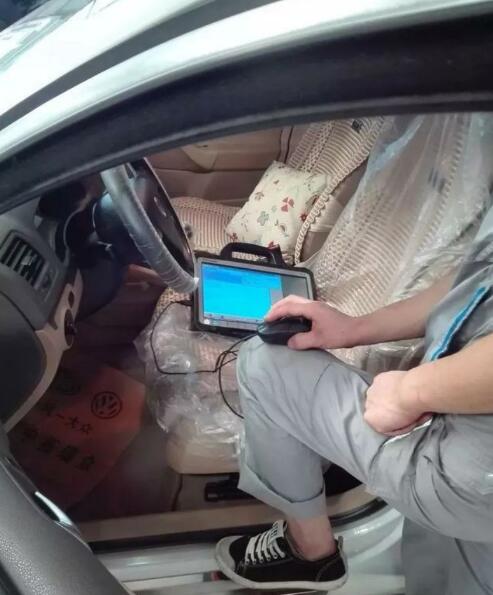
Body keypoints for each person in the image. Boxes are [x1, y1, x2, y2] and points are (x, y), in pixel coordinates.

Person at [215, 204, 493, 594]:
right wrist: (354, 329)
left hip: (466, 468)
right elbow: (473, 280)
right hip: (469, 448)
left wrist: (410, 392)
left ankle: (310, 553)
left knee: (264, 362)